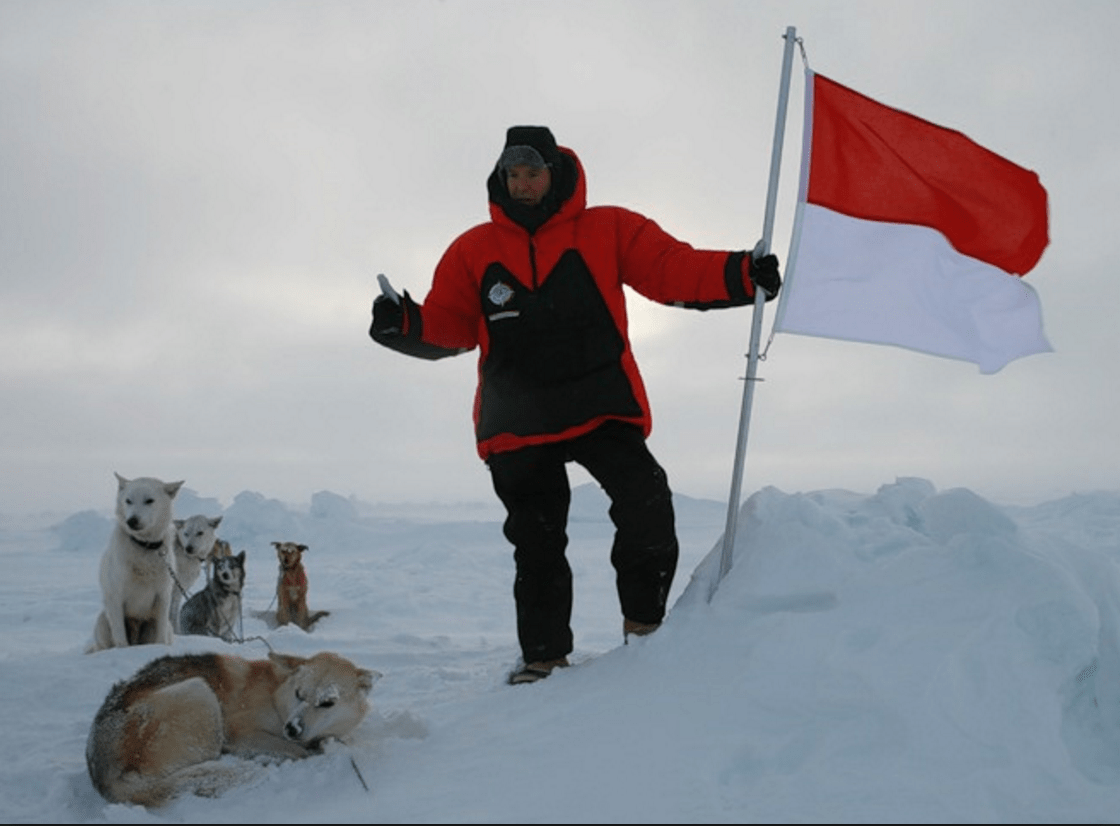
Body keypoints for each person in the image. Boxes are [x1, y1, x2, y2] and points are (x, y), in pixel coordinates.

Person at [370, 125, 780, 685]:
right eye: (511, 174)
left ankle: (646, 633)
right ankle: (543, 658)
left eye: (531, 172)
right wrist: (404, 323)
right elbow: (452, 327)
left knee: (646, 503)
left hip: (599, 402)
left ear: (556, 171)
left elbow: (670, 268)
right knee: (536, 541)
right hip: (516, 418)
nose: (521, 184)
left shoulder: (608, 227)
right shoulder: (474, 249)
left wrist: (739, 273)